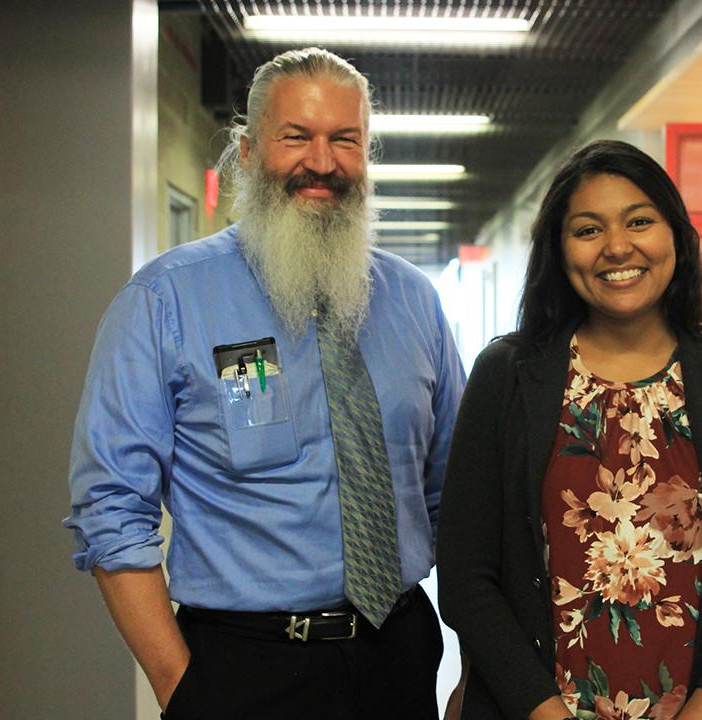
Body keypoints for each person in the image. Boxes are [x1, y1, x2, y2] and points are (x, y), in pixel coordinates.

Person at [64, 47, 464, 719]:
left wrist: (469, 669)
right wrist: (181, 688)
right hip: (243, 667)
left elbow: (455, 497)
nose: (323, 162)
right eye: (296, 137)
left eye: (345, 139)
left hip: (398, 653)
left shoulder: (414, 303)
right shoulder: (166, 301)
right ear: (247, 152)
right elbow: (110, 507)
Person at [436, 140, 702, 720]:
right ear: (560, 252)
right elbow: (467, 576)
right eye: (588, 230)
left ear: (675, 237)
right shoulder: (507, 377)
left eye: (639, 221)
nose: (617, 247)